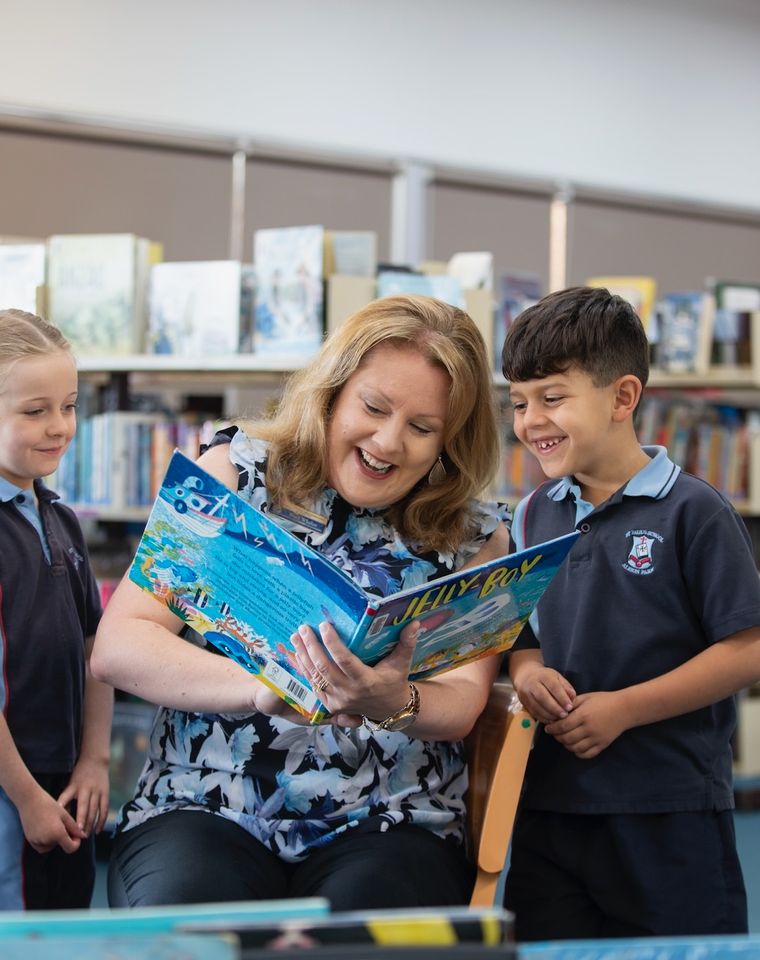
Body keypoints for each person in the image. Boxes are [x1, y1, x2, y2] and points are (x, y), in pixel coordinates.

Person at [91, 294, 511, 909]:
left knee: (365, 935)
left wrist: (393, 700)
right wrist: (260, 688)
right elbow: (119, 647)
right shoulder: (234, 475)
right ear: (331, 393)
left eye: (422, 428)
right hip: (205, 803)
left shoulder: (474, 535)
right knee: (188, 918)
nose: (389, 443)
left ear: (450, 441)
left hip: (390, 820)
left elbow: (464, 705)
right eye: (373, 408)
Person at [500, 285, 760, 941]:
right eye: (520, 403)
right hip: (549, 806)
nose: (531, 421)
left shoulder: (694, 511)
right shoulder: (531, 514)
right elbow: (520, 635)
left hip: (668, 808)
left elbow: (749, 646)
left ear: (622, 398)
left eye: (552, 398)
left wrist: (625, 709)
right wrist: (528, 672)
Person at [0, 308, 113, 910]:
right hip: (11, 789)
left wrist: (95, 760)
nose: (59, 427)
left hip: (67, 780)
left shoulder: (60, 518)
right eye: (34, 410)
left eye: (68, 406)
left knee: (68, 924)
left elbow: (97, 647)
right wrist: (24, 797)